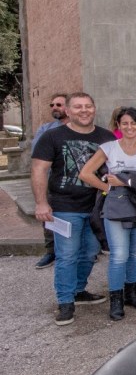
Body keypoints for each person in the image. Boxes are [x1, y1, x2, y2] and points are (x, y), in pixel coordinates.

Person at [32, 93, 117, 325]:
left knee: (89, 252)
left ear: (94, 109)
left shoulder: (106, 137)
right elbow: (39, 170)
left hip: (96, 207)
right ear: (68, 111)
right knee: (67, 255)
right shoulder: (52, 136)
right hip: (64, 206)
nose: (84, 110)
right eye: (78, 107)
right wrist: (41, 202)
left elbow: (114, 168)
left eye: (88, 106)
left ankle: (79, 290)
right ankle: (65, 301)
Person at [77, 107, 136, 320]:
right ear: (118, 126)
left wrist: (122, 179)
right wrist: (108, 188)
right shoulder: (109, 148)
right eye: (125, 123)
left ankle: (132, 293)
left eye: (134, 123)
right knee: (119, 255)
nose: (130, 127)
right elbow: (85, 173)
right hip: (116, 205)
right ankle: (116, 299)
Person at [31, 93, 70, 269]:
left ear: (68, 108)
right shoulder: (45, 130)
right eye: (52, 105)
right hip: (51, 181)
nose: (54, 107)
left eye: (59, 105)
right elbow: (38, 159)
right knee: (49, 217)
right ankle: (51, 251)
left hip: (75, 181)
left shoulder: (81, 128)